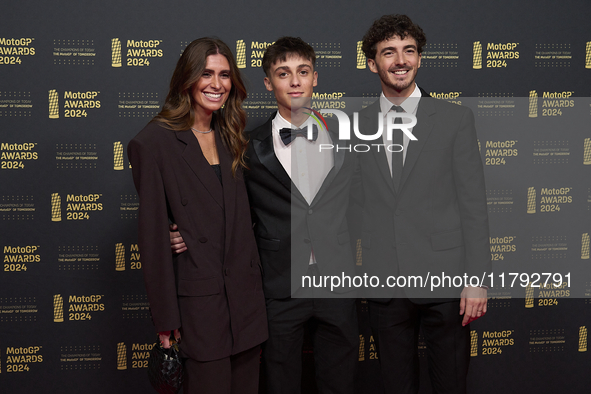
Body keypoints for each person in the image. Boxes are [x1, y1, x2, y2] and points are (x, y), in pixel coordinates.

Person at [171, 37, 359, 394]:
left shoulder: (347, 138)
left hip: (338, 284)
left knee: (341, 382)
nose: (295, 81)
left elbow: (372, 201)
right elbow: (219, 203)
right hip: (277, 285)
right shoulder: (243, 146)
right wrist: (178, 230)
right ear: (268, 83)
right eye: (283, 73)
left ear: (315, 78)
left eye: (303, 72)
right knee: (279, 381)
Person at [356, 14, 491, 393]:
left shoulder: (455, 119)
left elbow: (473, 205)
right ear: (372, 63)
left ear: (419, 58)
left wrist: (477, 280)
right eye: (389, 52)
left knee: (450, 383)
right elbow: (349, 202)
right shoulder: (357, 124)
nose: (400, 60)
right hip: (385, 283)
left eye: (409, 50)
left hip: (446, 281)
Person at [127, 37, 267, 394]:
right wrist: (165, 323)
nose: (216, 84)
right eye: (206, 74)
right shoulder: (153, 142)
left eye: (224, 75)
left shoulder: (232, 132)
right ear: (187, 79)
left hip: (246, 301)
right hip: (199, 307)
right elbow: (154, 241)